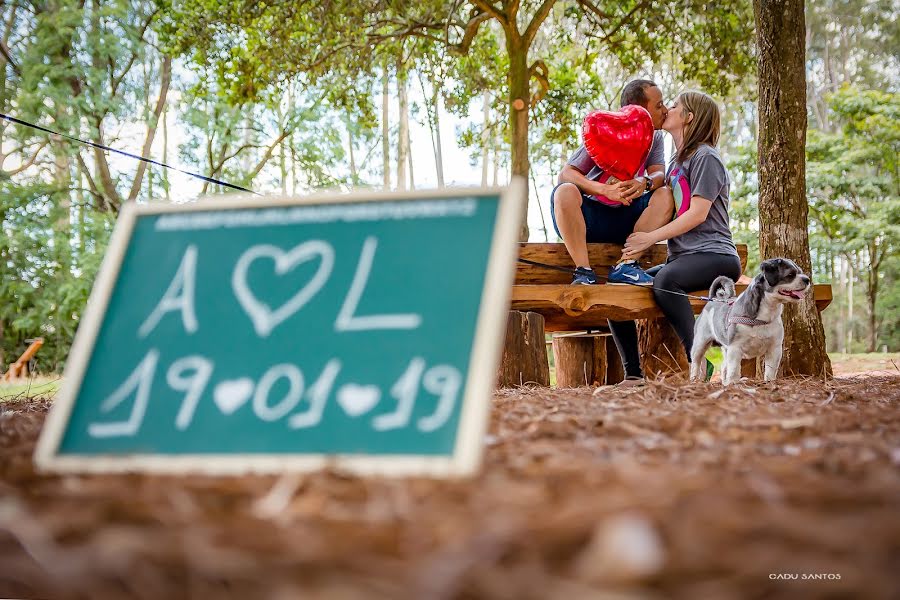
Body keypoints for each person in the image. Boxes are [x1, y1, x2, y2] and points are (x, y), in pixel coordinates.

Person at [617, 90, 742, 382]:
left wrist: (649, 239)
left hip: (716, 256)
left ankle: (698, 360)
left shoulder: (705, 157)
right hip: (685, 257)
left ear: (689, 118)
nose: (668, 110)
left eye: (674, 106)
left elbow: (698, 213)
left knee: (665, 281)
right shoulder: (676, 163)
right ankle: (633, 376)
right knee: (619, 286)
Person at [551, 78, 673, 287]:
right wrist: (605, 190)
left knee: (666, 194)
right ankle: (583, 271)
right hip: (590, 220)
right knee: (564, 192)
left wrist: (644, 183)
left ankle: (626, 264)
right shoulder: (606, 131)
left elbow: (659, 175)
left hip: (627, 219)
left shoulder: (656, 138)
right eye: (659, 105)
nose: (666, 110)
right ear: (639, 111)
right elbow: (566, 174)